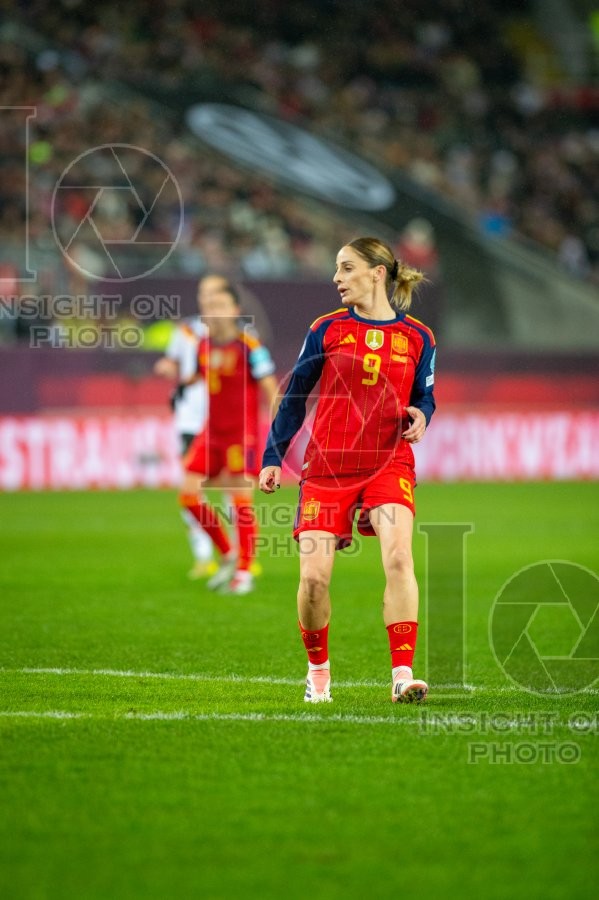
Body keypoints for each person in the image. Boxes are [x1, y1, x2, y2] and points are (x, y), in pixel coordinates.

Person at [259, 236, 436, 703]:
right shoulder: (326, 329)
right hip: (328, 468)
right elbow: (295, 395)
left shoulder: (419, 337)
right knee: (314, 580)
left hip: (388, 462)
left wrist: (422, 414)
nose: (336, 279)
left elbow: (425, 395)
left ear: (378, 273)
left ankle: (402, 675)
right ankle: (318, 674)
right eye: (337, 270)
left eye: (346, 268)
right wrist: (273, 457)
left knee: (399, 558)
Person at [181, 284, 279, 595]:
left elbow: (269, 388)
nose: (213, 310)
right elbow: (199, 376)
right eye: (209, 304)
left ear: (235, 310)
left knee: (241, 503)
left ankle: (245, 571)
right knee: (188, 496)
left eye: (221, 304)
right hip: (211, 433)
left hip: (241, 436)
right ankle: (227, 554)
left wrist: (279, 432)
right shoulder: (202, 345)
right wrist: (179, 385)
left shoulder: (250, 346)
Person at [154, 274, 230, 579]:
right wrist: (166, 367)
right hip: (190, 419)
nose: (208, 299)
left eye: (214, 293)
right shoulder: (185, 330)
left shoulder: (238, 334)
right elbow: (172, 362)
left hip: (225, 420)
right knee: (191, 489)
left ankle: (238, 555)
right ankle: (203, 556)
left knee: (231, 488)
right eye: (204, 293)